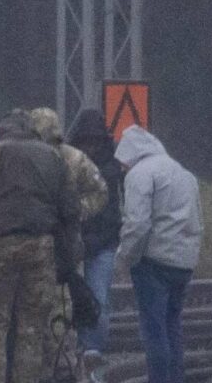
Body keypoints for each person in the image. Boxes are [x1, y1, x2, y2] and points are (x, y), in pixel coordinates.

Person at [0, 111, 77, 383]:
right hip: (42, 249)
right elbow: (70, 210)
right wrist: (68, 259)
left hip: (1, 247)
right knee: (31, 327)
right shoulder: (52, 156)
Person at [116, 126, 202, 383]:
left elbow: (137, 225)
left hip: (154, 263)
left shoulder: (140, 175)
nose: (122, 169)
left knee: (154, 331)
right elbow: (197, 219)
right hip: (183, 262)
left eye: (122, 163)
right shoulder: (184, 173)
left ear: (129, 154)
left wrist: (124, 259)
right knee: (172, 327)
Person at [26, 108, 108, 380]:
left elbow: (100, 192)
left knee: (63, 314)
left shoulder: (73, 159)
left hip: (63, 248)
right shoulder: (27, 158)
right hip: (36, 244)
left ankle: (64, 369)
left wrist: (75, 212)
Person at [68, 109, 125, 355]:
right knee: (80, 301)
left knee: (97, 300)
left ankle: (92, 350)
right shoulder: (112, 169)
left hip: (100, 244)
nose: (90, 147)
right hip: (81, 243)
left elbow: (115, 214)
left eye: (94, 141)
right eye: (86, 141)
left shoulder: (112, 170)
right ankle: (85, 350)